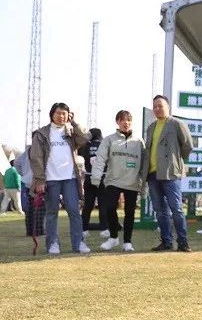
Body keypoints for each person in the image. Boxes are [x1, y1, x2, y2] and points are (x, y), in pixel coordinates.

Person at [29, 102, 91, 254]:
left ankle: (79, 244)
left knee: (74, 211)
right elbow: (36, 157)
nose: (62, 116)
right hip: (50, 179)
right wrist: (40, 180)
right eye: (59, 113)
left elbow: (84, 138)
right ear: (52, 114)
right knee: (52, 213)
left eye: (65, 113)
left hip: (69, 178)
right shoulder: (41, 134)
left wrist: (74, 123)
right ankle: (53, 244)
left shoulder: (71, 132)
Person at [92, 110, 147, 252]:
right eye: (123, 120)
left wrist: (144, 183)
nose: (126, 122)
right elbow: (100, 159)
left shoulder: (139, 141)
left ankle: (127, 242)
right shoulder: (109, 140)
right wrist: (96, 177)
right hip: (113, 180)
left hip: (132, 182)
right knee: (109, 207)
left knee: (130, 212)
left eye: (129, 120)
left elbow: (144, 163)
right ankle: (114, 237)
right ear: (117, 122)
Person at [144, 95, 193, 252]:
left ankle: (183, 242)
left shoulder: (177, 124)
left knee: (176, 209)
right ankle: (166, 241)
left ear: (168, 107)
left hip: (171, 173)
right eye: (155, 107)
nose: (158, 109)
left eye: (160, 106)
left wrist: (176, 162)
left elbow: (187, 146)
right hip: (152, 174)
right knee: (160, 211)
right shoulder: (151, 127)